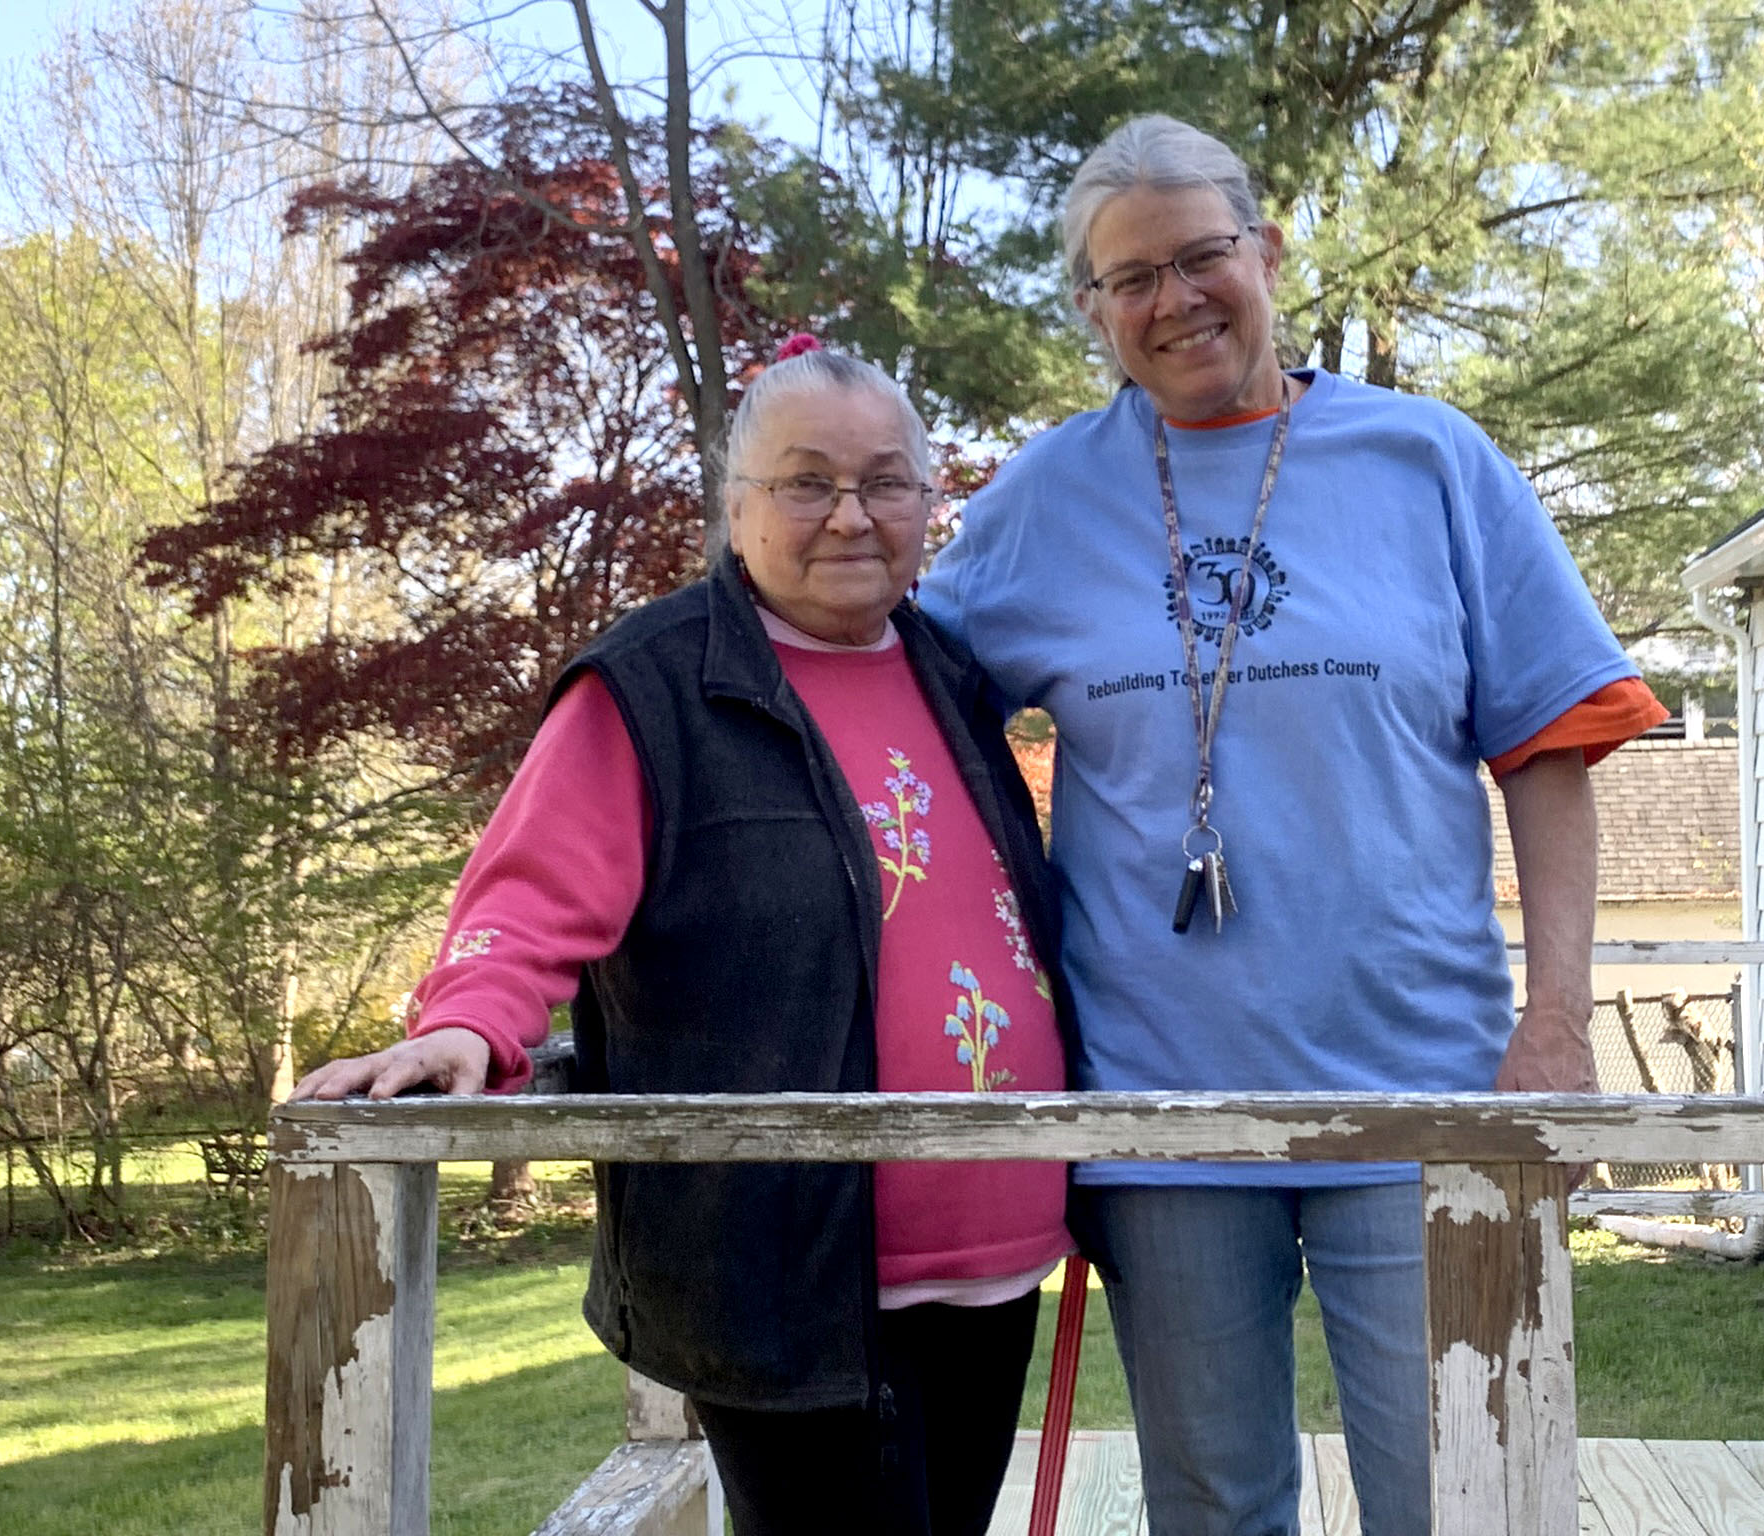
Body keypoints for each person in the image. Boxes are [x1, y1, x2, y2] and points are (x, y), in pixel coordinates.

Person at [915, 116, 1667, 1536]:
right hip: (1159, 1108)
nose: (1174, 298)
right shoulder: (1045, 497)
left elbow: (1554, 748)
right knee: (1213, 1506)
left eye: (1203, 256)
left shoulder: (1426, 458)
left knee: (1462, 1497)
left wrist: (1557, 1018)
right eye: (1128, 278)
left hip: (1426, 1092)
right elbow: (885, 701)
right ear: (1092, 310)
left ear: (1268, 251)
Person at [294, 340, 1075, 1536]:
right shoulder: (652, 688)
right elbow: (530, 895)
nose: (851, 516)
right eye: (806, 482)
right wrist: (466, 1023)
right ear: (737, 506)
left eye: (886, 483)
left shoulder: (955, 679)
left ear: (928, 504)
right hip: (784, 1273)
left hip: (993, 1260)